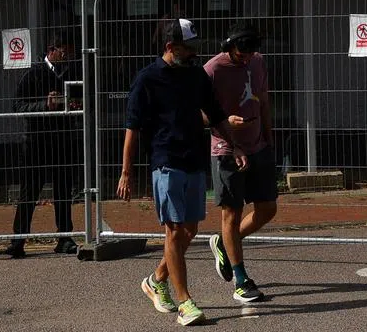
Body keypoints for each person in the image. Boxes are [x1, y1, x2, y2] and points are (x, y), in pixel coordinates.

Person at [118, 18, 247, 327]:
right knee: (175, 231)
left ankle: (156, 280)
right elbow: (132, 128)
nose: (193, 53)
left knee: (189, 230)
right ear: (170, 47)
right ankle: (185, 302)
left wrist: (236, 146)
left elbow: (215, 115)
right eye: (188, 48)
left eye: (194, 47)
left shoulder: (196, 76)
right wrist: (126, 172)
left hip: (193, 161)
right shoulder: (147, 79)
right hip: (165, 161)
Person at [203, 22, 276, 303]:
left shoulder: (257, 62)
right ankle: (241, 280)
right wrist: (223, 121)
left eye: (250, 53)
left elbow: (264, 100)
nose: (246, 58)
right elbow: (197, 113)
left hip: (257, 145)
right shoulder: (212, 69)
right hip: (225, 149)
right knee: (230, 215)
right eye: (241, 53)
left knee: (267, 208)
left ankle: (224, 242)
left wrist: (269, 136)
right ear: (229, 46)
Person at [5, 33, 81, 258]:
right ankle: (18, 240)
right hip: (36, 142)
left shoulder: (72, 73)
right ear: (52, 50)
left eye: (70, 53)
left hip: (63, 140)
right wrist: (44, 105)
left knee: (63, 191)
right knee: (29, 192)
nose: (68, 57)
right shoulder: (34, 74)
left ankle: (65, 237)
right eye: (64, 52)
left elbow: (83, 100)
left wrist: (75, 105)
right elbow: (18, 106)